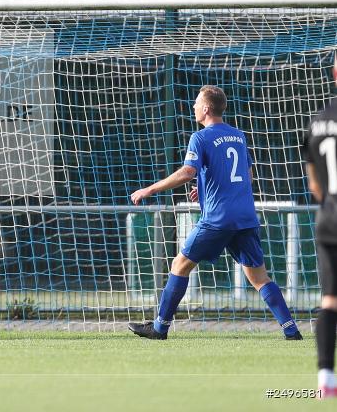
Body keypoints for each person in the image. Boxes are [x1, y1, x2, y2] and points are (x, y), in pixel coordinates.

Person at [128, 85, 301, 341]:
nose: (194, 107)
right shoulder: (238, 136)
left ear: (207, 109)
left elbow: (188, 172)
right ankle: (291, 330)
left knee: (180, 265)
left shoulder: (201, 137)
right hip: (244, 217)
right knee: (259, 278)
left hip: (218, 219)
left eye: (197, 103)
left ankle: (159, 327)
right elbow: (247, 176)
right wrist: (207, 188)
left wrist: (150, 189)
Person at [302, 59, 337, 398]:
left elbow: (315, 187)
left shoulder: (317, 121)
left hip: (328, 217)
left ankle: (326, 377)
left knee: (329, 299)